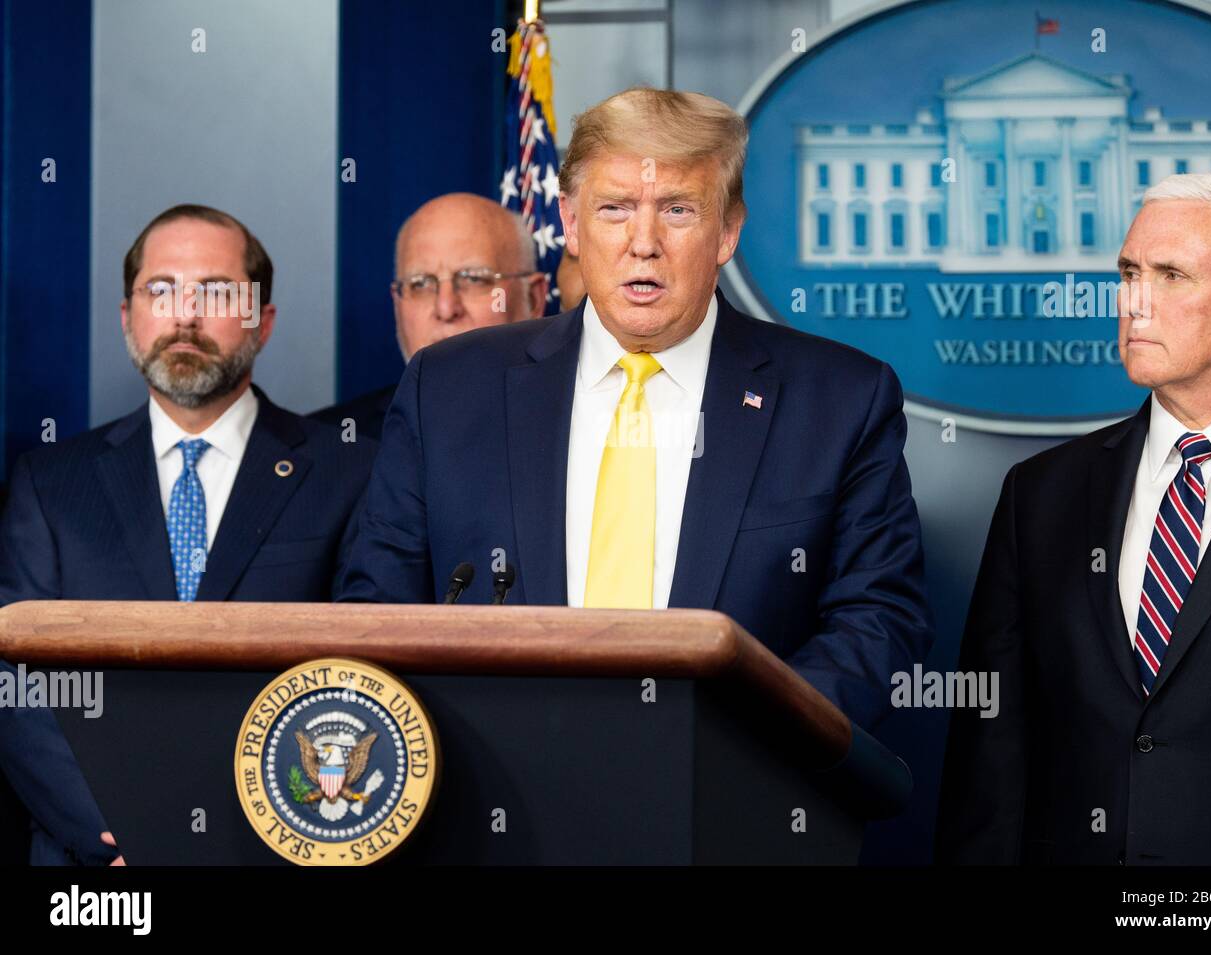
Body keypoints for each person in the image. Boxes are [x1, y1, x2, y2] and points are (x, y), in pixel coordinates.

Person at [337, 87, 933, 732]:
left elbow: (877, 623)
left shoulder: (840, 398)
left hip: (730, 797)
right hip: (491, 797)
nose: (642, 243)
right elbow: (377, 609)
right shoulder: (448, 389)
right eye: (615, 208)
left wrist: (730, 751)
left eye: (678, 210)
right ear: (568, 221)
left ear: (728, 230)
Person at [936, 174, 1211, 865]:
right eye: (1129, 272)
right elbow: (992, 753)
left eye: (1171, 275)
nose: (1134, 302)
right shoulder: (1041, 495)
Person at [0, 203, 378, 864]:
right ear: (128, 317)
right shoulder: (50, 483)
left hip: (280, 846)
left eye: (215, 290)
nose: (185, 313)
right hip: (95, 865)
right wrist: (113, 829)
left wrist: (261, 823)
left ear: (262, 319)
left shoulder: (349, 473)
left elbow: (361, 673)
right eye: (161, 289)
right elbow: (16, 684)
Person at [311, 193, 548, 440]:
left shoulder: (577, 433)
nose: (445, 309)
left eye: (474, 279)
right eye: (420, 284)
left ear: (533, 299)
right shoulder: (328, 447)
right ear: (397, 304)